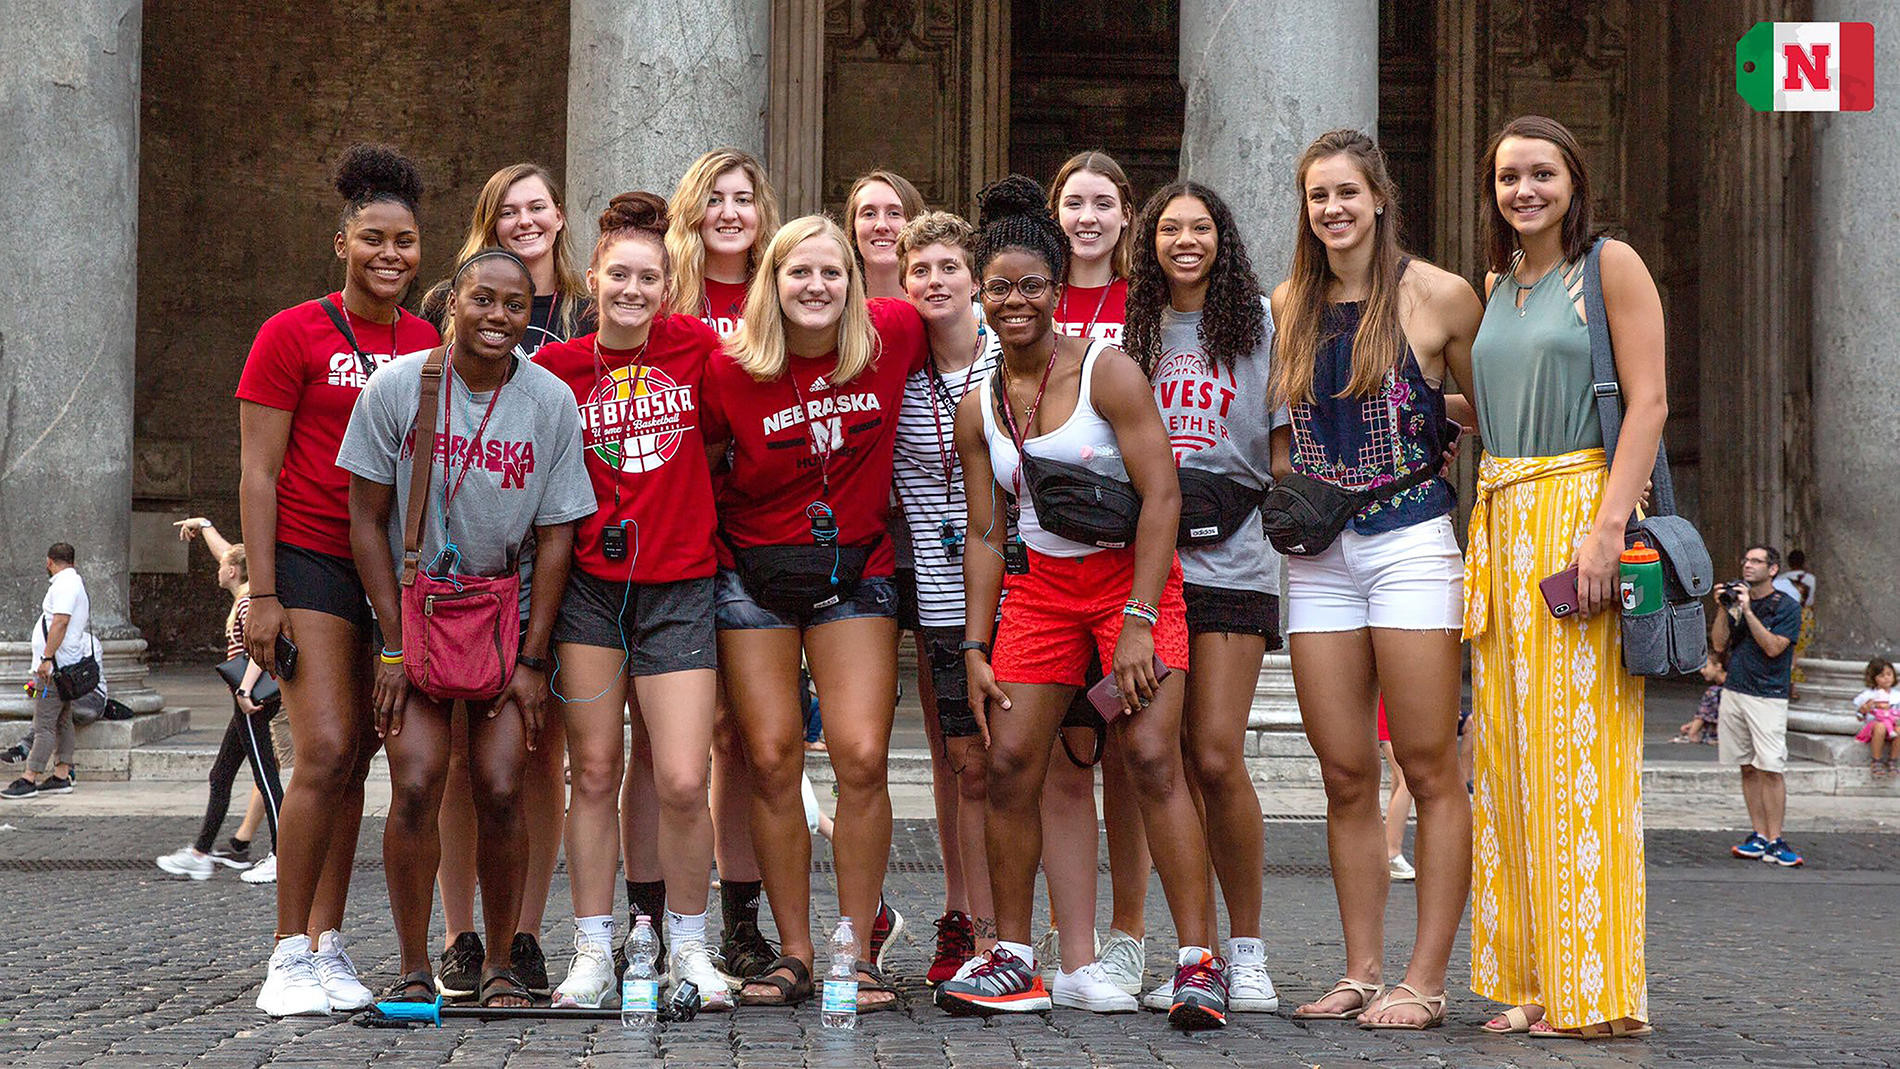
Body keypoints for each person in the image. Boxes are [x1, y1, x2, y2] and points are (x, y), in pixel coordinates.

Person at [936, 175, 1220, 1029]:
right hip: (1041, 594)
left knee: (1153, 757)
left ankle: (1198, 964)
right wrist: (974, 646)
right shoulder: (978, 404)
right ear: (982, 299)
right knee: (1010, 764)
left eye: (1031, 285)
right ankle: (1015, 958)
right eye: (1000, 289)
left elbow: (1163, 497)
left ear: (1056, 289)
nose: (1015, 301)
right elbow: (987, 533)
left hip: (1129, 583)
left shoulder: (1107, 370)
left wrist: (1139, 619)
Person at [340, 247, 594, 1007]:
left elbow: (557, 537)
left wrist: (533, 660)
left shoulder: (550, 401)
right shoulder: (397, 388)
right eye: (482, 299)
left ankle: (503, 963)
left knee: (502, 784)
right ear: (452, 302)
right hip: (414, 613)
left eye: (514, 305)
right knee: (417, 781)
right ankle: (415, 964)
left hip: (505, 615)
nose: (497, 316)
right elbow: (365, 520)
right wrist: (391, 645)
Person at [1459, 115, 1664, 1039]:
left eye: (1542, 174)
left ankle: (1600, 992)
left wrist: (1607, 528)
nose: (1525, 190)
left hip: (1578, 514)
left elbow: (1649, 402)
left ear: (1574, 180)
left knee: (1582, 757)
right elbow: (1500, 404)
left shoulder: (1608, 266)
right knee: (1509, 759)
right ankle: (1537, 980)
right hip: (1501, 518)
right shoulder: (1497, 284)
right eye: (1509, 177)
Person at [1269, 130, 1477, 1031]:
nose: (1334, 209)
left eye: (1347, 192)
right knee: (1345, 772)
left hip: (1409, 541)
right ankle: (1360, 971)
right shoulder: (1288, 303)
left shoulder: (1439, 295)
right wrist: (1287, 492)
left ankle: (1424, 980)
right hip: (1319, 556)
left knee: (1427, 765)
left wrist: (1442, 422)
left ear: (1380, 196)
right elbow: (1279, 429)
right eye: (1319, 196)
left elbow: (1494, 415)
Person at [701, 214, 927, 1011]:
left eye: (832, 272)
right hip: (752, 574)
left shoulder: (892, 335)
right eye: (799, 271)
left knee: (862, 755)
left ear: (854, 282)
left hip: (855, 567)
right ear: (772, 281)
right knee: (769, 759)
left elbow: (972, 318)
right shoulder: (728, 366)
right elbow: (701, 464)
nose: (817, 285)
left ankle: (855, 950)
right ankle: (796, 950)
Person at [236, 143, 439, 1017]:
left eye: (404, 241)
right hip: (310, 558)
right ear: (341, 243)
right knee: (321, 747)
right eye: (373, 238)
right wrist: (264, 593)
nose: (390, 254)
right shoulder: (292, 333)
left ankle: (326, 942)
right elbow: (258, 471)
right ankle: (285, 953)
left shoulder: (429, 342)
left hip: (388, 570)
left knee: (357, 755)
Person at [532, 193, 731, 1010]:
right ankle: (592, 946)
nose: (633, 290)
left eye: (649, 278)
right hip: (589, 588)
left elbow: (725, 434)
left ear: (668, 286)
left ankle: (689, 942)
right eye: (619, 274)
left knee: (682, 776)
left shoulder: (696, 347)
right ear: (593, 277)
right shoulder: (555, 369)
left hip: (679, 581)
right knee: (594, 771)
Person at [418, 162, 596, 997]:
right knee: (461, 757)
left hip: (555, 555)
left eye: (538, 208)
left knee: (538, 751)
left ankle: (522, 930)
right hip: (464, 568)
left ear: (559, 216)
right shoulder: (449, 304)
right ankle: (460, 932)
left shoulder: (589, 308)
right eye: (508, 211)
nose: (525, 221)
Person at [1121, 179, 1286, 1014]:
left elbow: (1281, 442)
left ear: (1223, 238)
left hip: (1235, 556)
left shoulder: (1258, 321)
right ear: (1148, 242)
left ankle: (1248, 952)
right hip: (1154, 563)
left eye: (1201, 227)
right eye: (1169, 229)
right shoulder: (1136, 328)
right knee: (1167, 759)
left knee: (1216, 754)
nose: (1185, 241)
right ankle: (1201, 954)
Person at [661, 148, 783, 981]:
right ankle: (661, 916)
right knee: (674, 743)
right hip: (675, 529)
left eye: (744, 197)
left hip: (755, 532)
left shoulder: (780, 291)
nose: (731, 211)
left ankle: (742, 919)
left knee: (740, 734)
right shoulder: (664, 295)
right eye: (716, 198)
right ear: (693, 211)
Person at [1037, 150, 1152, 1001]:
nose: (1087, 216)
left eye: (1102, 203)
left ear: (1125, 216)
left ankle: (1131, 933)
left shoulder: (1142, 304)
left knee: (1132, 755)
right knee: (1062, 751)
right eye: (1073, 202)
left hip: (1129, 548)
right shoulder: (1032, 297)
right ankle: (1066, 928)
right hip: (1050, 553)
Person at [892, 210, 1002, 984]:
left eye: (949, 268)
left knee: (1015, 762)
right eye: (920, 271)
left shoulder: (1009, 357)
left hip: (1015, 588)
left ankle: (1015, 930)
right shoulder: (897, 369)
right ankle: (966, 920)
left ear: (975, 279)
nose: (935, 281)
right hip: (936, 593)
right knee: (963, 762)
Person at [153, 521, 283, 880]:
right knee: (221, 774)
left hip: (251, 700)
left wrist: (244, 691)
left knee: (265, 776)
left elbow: (259, 649)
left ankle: (281, 854)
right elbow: (227, 551)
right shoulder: (246, 595)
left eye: (223, 565)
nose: (218, 568)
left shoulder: (248, 604)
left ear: (233, 571)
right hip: (245, 701)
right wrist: (205, 525)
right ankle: (200, 852)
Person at [1713, 545, 1805, 868]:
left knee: (1771, 767)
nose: (1748, 565)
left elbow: (1773, 648)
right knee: (1747, 766)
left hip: (1768, 695)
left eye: (1756, 561)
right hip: (1735, 690)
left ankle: (1776, 839)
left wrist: (1749, 612)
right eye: (1746, 560)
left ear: (1773, 569)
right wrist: (1724, 609)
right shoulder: (1737, 602)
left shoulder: (1787, 607)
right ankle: (1759, 835)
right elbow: (1719, 643)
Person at [4, 544, 100, 801]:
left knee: (43, 724)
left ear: (49, 562)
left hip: (54, 669)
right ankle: (61, 774)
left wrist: (46, 658)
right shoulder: (72, 583)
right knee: (62, 721)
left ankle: (29, 778)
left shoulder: (65, 585)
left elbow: (60, 621)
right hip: (62, 666)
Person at [845, 169, 925, 300]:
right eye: (869, 214)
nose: (881, 225)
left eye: (894, 213)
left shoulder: (946, 310)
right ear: (853, 228)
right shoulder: (833, 311)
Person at [1377, 701, 1415, 880]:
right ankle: (1391, 853)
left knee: (1400, 780)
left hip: (1394, 721)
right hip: (1388, 721)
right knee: (1406, 780)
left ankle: (1388, 849)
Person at [1854, 658, 1898, 776]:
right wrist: (1864, 709)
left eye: (1889, 674)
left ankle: (1893, 760)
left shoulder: (1897, 696)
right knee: (1880, 727)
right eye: (1881, 676)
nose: (1886, 678)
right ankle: (1876, 760)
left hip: (1893, 725)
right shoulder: (1868, 695)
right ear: (1874, 678)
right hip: (1875, 726)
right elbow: (1859, 716)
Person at [1676, 650, 1726, 745]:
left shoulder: (1714, 691)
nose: (1702, 671)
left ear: (1718, 666)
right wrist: (1693, 724)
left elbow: (1703, 714)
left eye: (1705, 667)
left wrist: (1692, 732)